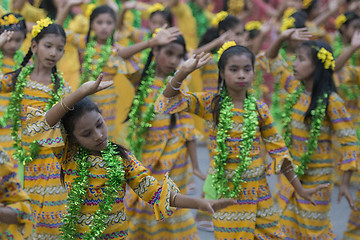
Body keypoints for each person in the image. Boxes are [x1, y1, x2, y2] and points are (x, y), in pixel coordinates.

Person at [25, 74, 236, 239]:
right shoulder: (68, 154)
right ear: (72, 138)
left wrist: (199, 204)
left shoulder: (122, 158)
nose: (98, 136)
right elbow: (44, 125)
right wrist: (81, 92)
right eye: (86, 134)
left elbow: (154, 191)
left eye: (100, 125)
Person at [154, 42, 327, 239]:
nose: (241, 75)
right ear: (222, 73)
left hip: (259, 193)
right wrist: (183, 72)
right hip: (227, 197)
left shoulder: (260, 109)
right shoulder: (210, 104)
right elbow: (165, 103)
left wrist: (300, 189)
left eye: (247, 69)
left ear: (254, 72)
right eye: (234, 69)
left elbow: (279, 151)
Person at [260, 28, 359, 239]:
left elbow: (350, 142)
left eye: (301, 59)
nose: (294, 64)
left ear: (317, 66)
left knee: (314, 232)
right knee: (288, 229)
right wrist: (284, 37)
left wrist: (344, 183)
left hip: (318, 181)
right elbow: (272, 59)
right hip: (291, 176)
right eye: (295, 58)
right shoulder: (294, 88)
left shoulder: (332, 101)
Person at [57, 4, 181, 140]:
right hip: (86, 98)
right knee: (86, 135)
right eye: (99, 22)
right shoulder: (85, 43)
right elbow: (58, 31)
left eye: (109, 23)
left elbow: (123, 53)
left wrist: (151, 42)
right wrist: (68, 6)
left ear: (114, 26)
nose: (104, 26)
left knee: (104, 136)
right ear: (91, 25)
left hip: (109, 101)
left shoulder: (115, 49)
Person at [125, 34, 205, 239]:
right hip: (145, 154)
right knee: (145, 201)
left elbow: (187, 127)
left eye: (178, 57)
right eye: (168, 53)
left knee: (171, 203)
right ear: (155, 52)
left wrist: (196, 165)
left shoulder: (178, 86)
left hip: (174, 159)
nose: (172, 61)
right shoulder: (141, 78)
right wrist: (150, 42)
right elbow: (119, 57)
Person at [0, 18, 71, 238]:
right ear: (33, 47)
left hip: (52, 164)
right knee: (24, 214)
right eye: (48, 46)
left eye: (60, 49)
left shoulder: (63, 88)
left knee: (52, 221)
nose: (53, 53)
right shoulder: (19, 78)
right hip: (24, 161)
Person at [0, 13, 26, 165]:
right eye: (9, 39)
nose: (13, 45)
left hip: (12, 119)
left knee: (10, 160)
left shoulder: (24, 61)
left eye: (18, 40)